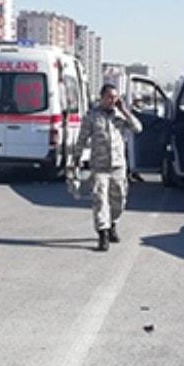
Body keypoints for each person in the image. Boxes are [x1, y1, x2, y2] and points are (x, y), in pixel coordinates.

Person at [72, 84, 143, 251]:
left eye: (115, 97)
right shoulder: (92, 116)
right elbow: (82, 138)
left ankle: (112, 224)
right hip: (100, 166)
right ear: (102, 97)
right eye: (110, 97)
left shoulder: (120, 116)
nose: (113, 100)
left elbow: (138, 128)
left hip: (118, 166)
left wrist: (125, 110)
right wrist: (76, 157)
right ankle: (102, 234)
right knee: (100, 200)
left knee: (119, 199)